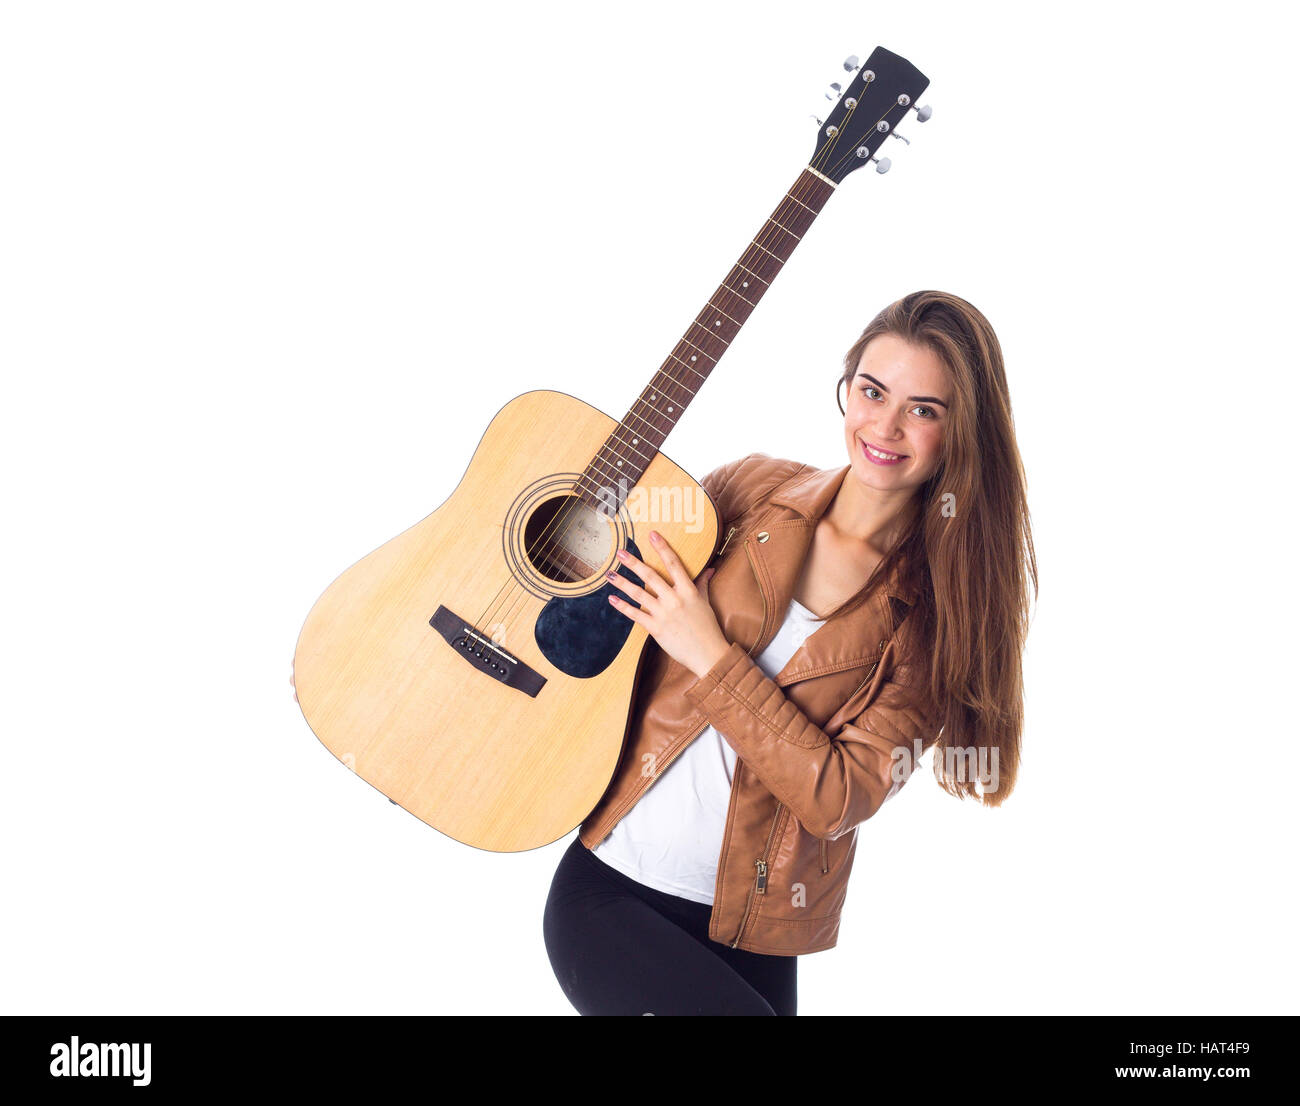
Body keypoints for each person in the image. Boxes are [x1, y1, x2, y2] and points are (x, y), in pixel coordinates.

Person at [542, 289, 1037, 1015]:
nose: (886, 426)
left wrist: (712, 656)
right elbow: (579, 621)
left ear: (961, 432)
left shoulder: (934, 623)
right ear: (847, 389)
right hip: (614, 889)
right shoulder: (749, 492)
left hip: (754, 930)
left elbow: (837, 796)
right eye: (872, 391)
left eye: (923, 410)